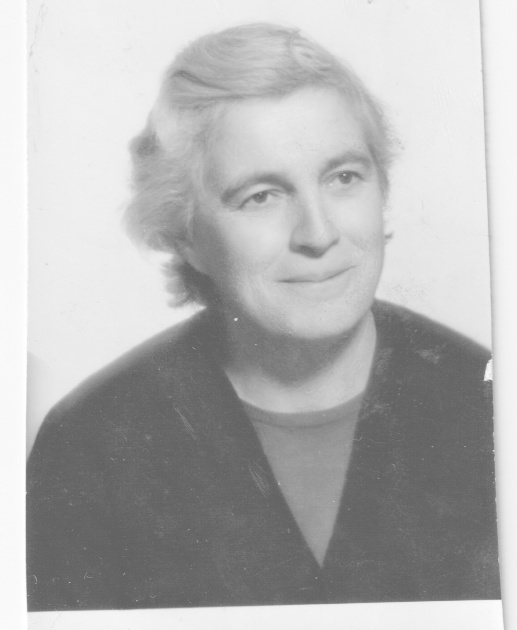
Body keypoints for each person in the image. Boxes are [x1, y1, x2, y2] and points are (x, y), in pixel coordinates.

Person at [26, 23, 500, 610]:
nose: (318, 234)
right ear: (187, 235)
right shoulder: (92, 444)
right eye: (261, 196)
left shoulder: (490, 405)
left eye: (344, 178)